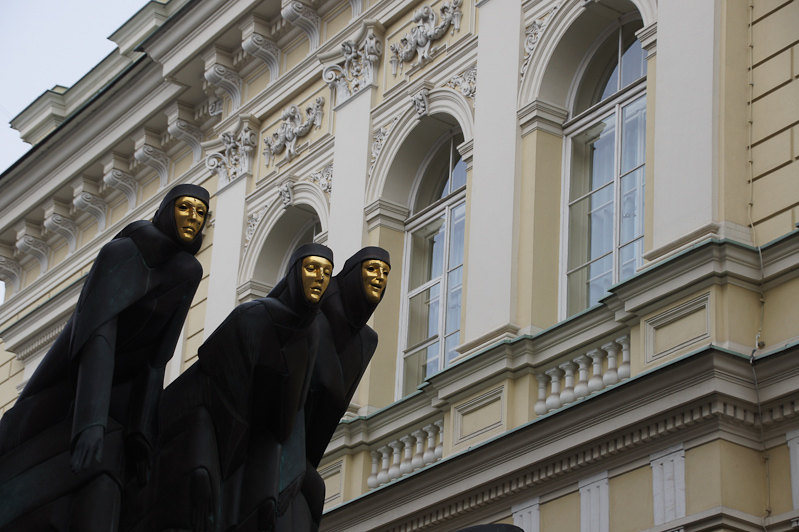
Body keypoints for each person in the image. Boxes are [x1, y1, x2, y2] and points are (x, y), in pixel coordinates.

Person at [0, 184, 209, 531]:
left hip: (120, 401)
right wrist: (90, 422)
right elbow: (100, 336)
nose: (193, 218)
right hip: (71, 388)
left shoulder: (188, 273)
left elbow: (158, 359)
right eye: (185, 207)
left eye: (200, 213)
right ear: (166, 210)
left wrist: (142, 434)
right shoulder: (123, 253)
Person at [140, 243, 334, 532]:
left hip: (262, 435)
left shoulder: (312, 332)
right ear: (294, 274)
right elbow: (210, 389)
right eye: (312, 268)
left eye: (327, 272)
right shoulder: (253, 317)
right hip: (211, 426)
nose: (320, 277)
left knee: (311, 491)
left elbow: (291, 416)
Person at [293, 246, 391, 531]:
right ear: (350, 275)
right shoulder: (314, 316)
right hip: (280, 435)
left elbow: (333, 408)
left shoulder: (366, 342)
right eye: (372, 269)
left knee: (313, 493)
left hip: (305, 455)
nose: (380, 277)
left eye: (385, 272)